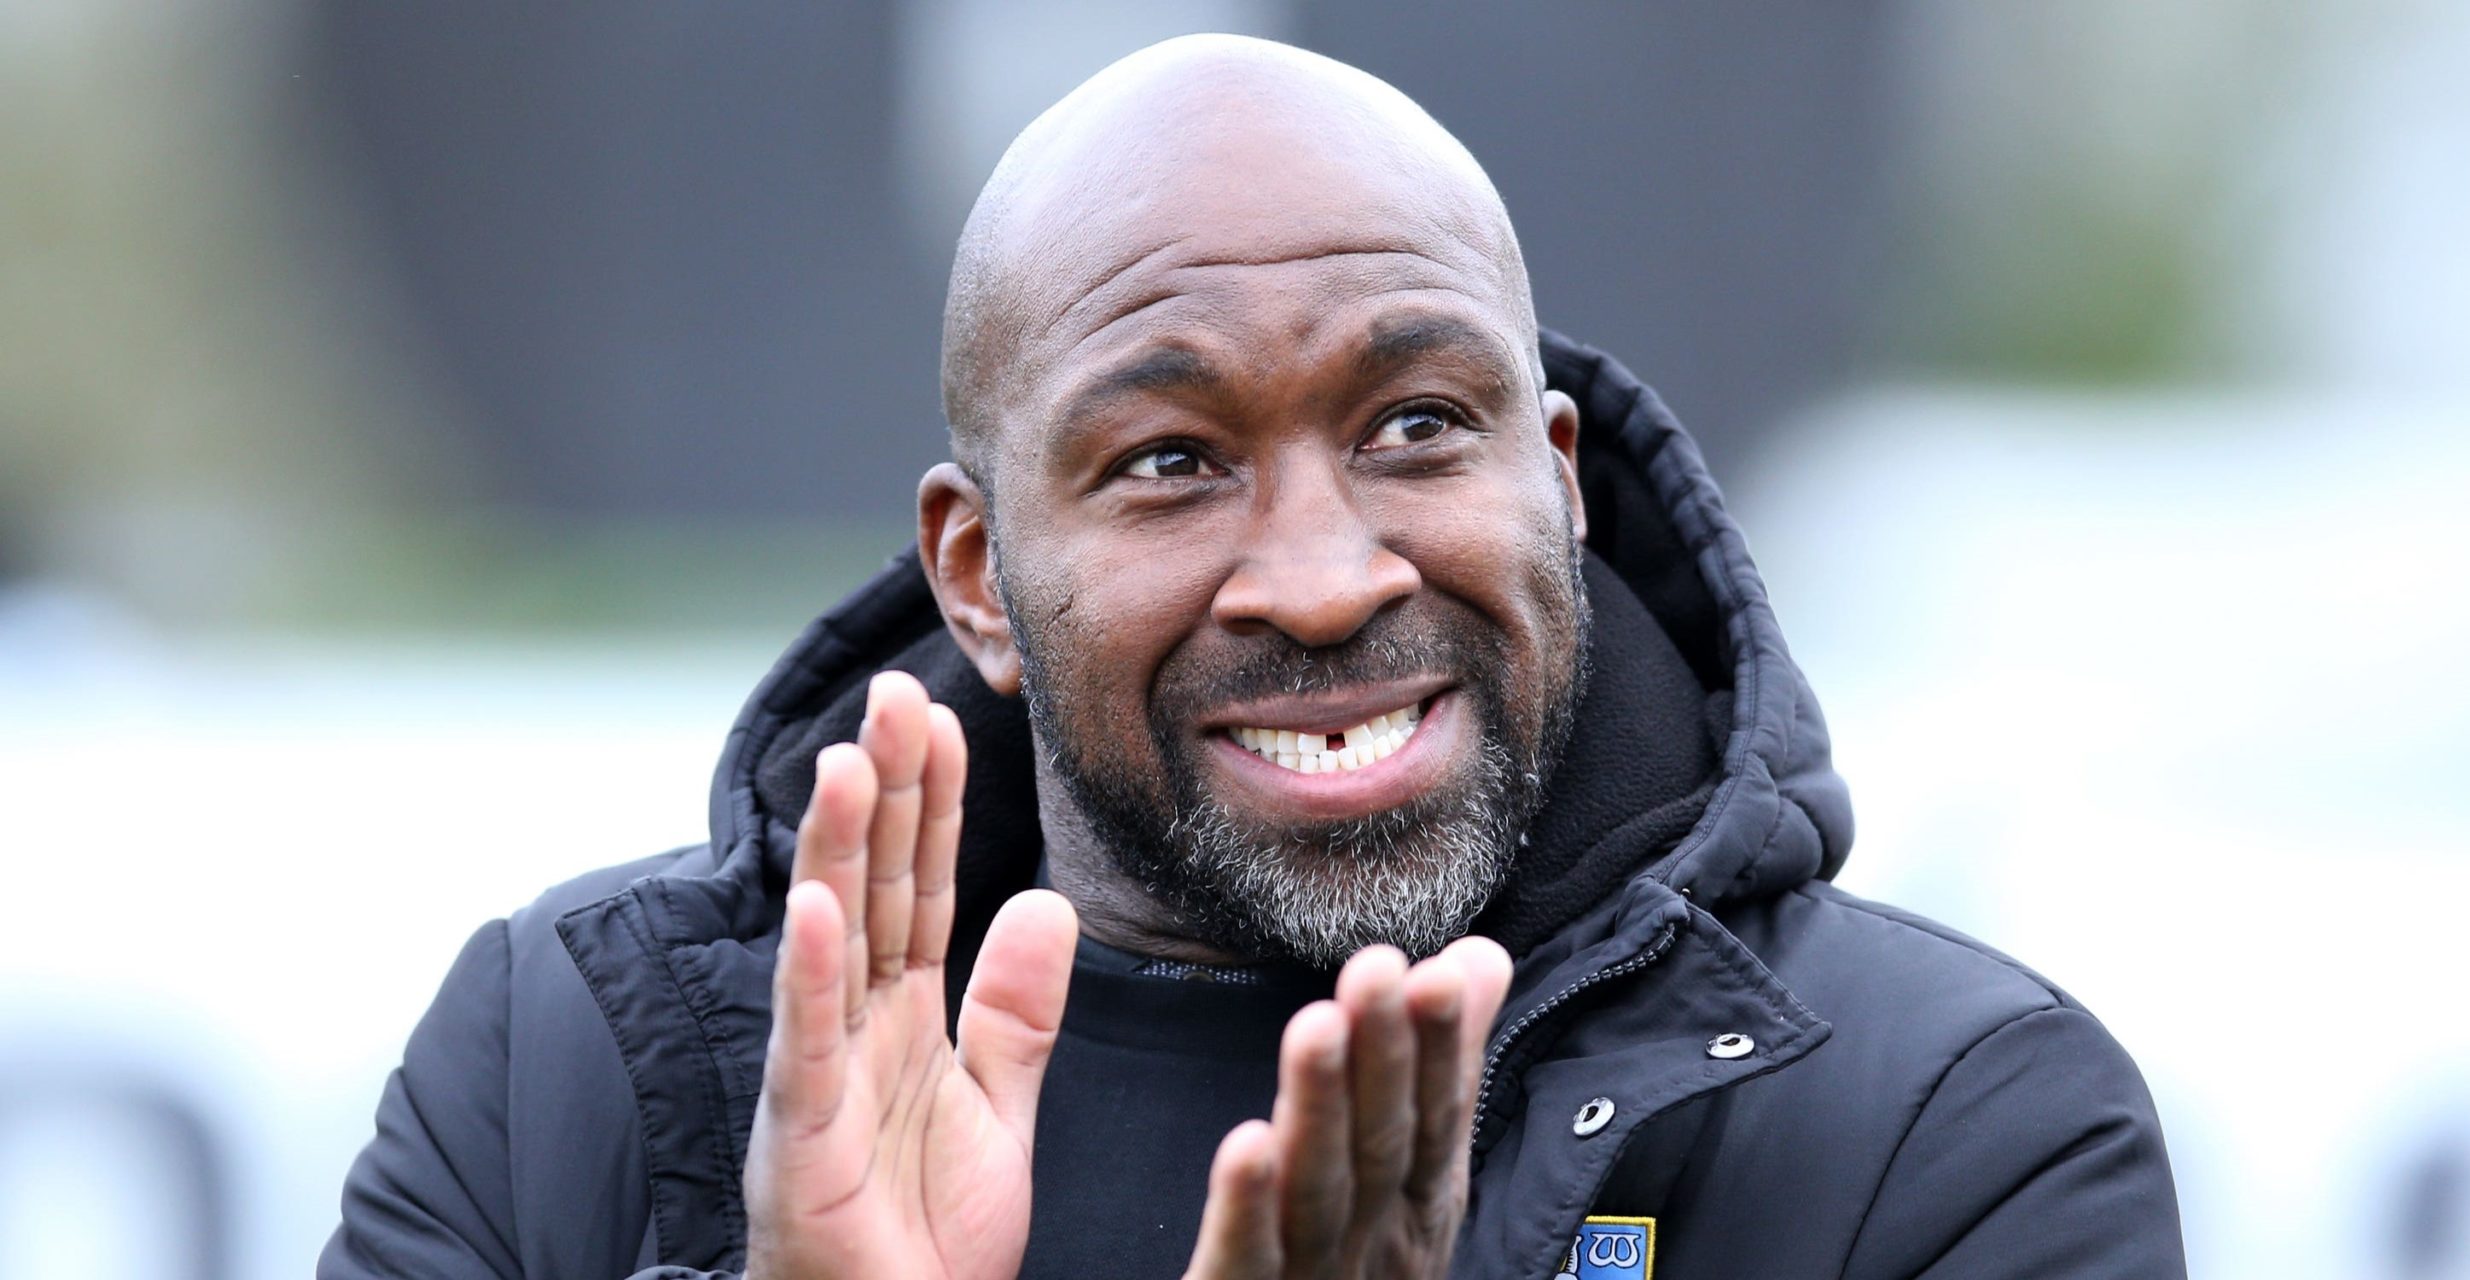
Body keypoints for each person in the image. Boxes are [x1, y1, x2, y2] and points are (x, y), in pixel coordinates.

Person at [322, 34, 2183, 1280]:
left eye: (1417, 426)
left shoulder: (1949, 1129)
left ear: (1557, 481)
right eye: (1170, 462)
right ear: (980, 577)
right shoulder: (566, 1076)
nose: (1320, 579)